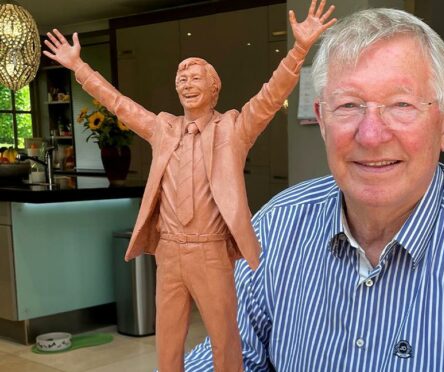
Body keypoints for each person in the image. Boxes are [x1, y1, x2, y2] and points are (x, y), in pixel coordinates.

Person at [183, 7, 444, 372]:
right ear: (321, 119)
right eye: (349, 105)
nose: (371, 135)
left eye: (401, 105)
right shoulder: (277, 225)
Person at [42, 1, 336, 371]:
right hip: (169, 253)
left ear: (214, 88)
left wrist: (299, 48)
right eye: (182, 78)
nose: (186, 82)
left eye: (196, 77)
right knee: (168, 340)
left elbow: (270, 96)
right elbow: (118, 104)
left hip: (210, 254)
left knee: (225, 339)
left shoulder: (233, 128)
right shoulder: (163, 128)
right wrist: (78, 67)